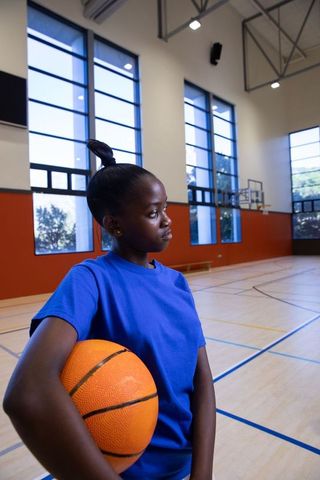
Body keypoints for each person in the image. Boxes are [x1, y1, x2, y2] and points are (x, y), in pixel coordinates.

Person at [3, 140, 216, 480]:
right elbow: (27, 393)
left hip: (183, 469)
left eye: (164, 208)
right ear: (114, 224)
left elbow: (202, 381)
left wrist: (202, 473)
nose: (166, 221)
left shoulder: (178, 283)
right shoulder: (90, 280)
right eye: (152, 213)